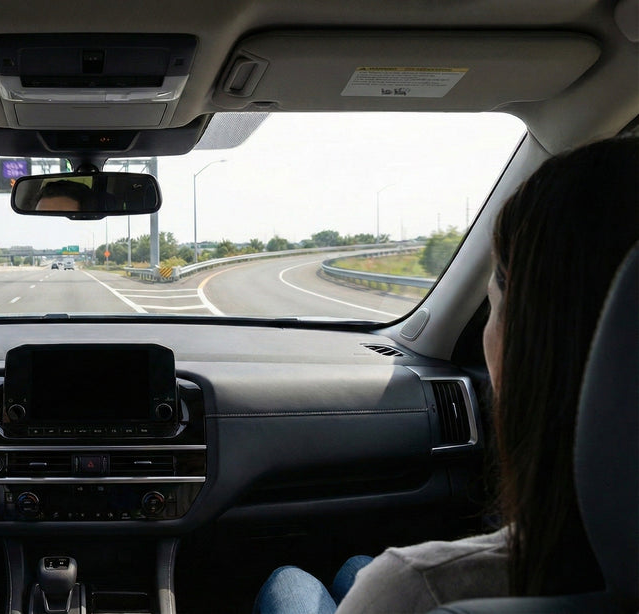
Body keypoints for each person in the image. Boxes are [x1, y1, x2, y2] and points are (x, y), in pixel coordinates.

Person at [253, 136, 639, 613]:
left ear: (534, 344)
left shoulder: (421, 587)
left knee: (290, 582)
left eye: (492, 306)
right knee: (357, 567)